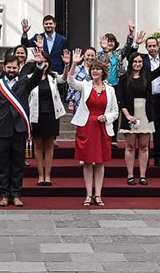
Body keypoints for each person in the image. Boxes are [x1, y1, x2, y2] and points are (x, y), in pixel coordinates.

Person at [0, 51, 46, 207]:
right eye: (9, 67)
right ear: (4, 67)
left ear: (19, 68)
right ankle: (4, 195)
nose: (12, 70)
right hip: (1, 130)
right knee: (2, 165)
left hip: (19, 130)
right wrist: (2, 118)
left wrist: (39, 65)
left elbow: (36, 78)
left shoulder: (24, 83)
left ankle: (16, 194)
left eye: (14, 68)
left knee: (18, 164)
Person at [67, 49, 120, 206]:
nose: (95, 71)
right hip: (87, 126)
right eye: (93, 69)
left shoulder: (110, 90)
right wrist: (74, 63)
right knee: (88, 162)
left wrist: (107, 117)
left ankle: (98, 195)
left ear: (103, 72)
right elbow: (70, 82)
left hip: (102, 127)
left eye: (97, 69)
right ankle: (88, 195)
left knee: (100, 162)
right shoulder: (85, 85)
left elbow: (115, 111)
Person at [118, 52, 160, 185]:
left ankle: (143, 175)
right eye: (135, 62)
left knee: (144, 146)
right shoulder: (123, 78)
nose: (137, 64)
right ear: (131, 63)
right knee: (130, 146)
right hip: (130, 113)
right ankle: (130, 175)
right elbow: (120, 100)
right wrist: (128, 116)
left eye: (140, 62)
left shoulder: (147, 76)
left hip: (146, 113)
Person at [28, 49, 67, 186]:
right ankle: (40, 175)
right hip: (36, 115)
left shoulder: (53, 77)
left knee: (49, 145)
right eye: (41, 61)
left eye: (45, 62)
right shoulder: (31, 77)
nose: (43, 64)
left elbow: (64, 79)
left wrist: (67, 65)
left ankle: (48, 175)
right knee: (38, 145)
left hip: (51, 114)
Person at [141, 36, 160, 167]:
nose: (152, 48)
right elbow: (129, 56)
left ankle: (158, 157)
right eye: (149, 46)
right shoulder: (142, 59)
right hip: (146, 100)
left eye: (154, 46)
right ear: (146, 48)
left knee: (158, 130)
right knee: (145, 130)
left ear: (158, 46)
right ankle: (144, 158)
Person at [67, 47, 95, 112]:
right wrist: (71, 102)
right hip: (79, 101)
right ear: (84, 57)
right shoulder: (77, 69)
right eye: (88, 55)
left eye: (92, 56)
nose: (90, 58)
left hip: (93, 101)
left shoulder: (96, 70)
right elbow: (71, 85)